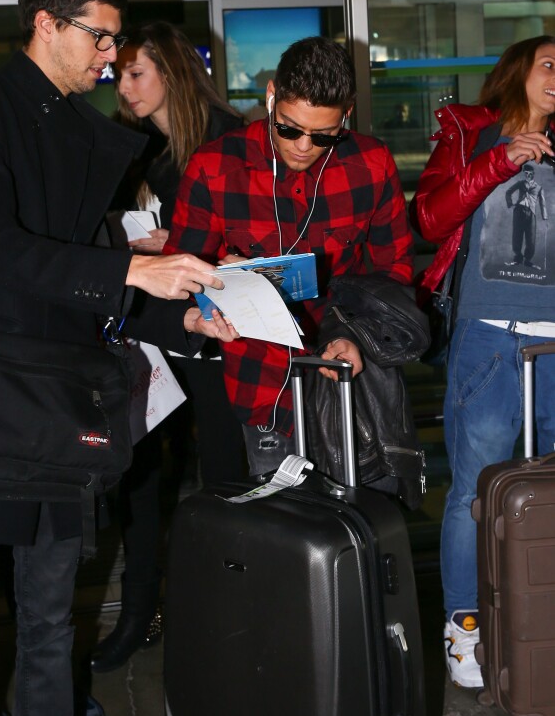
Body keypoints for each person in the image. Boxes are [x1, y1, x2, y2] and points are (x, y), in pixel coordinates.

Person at [0, 0, 237, 716]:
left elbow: (102, 288)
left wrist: (183, 323)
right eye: (101, 36)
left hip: (57, 412)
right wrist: (133, 267)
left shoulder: (84, 140)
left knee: (51, 622)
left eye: (117, 40)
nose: (111, 56)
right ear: (46, 24)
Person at [164, 35, 414, 477]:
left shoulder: (371, 164)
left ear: (347, 115)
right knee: (286, 536)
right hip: (264, 389)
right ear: (271, 96)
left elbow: (392, 272)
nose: (303, 146)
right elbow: (177, 273)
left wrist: (354, 336)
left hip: (349, 386)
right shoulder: (215, 166)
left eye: (323, 135)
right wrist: (205, 296)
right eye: (288, 128)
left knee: (357, 533)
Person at [90, 21, 246, 673]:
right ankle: (140, 611)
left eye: (135, 73)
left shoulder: (225, 139)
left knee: (227, 480)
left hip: (219, 337)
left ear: (171, 72)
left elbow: (250, 247)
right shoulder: (147, 147)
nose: (122, 86)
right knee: (142, 475)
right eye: (119, 74)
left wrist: (179, 249)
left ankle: (235, 615)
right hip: (157, 333)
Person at [410, 35, 555, 689]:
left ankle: (541, 616)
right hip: (488, 335)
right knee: (473, 488)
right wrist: (499, 161)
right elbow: (432, 218)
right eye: (550, 65)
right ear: (518, 71)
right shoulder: (471, 135)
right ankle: (463, 624)